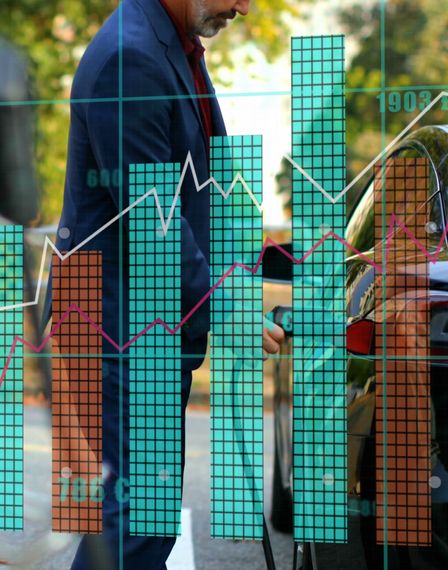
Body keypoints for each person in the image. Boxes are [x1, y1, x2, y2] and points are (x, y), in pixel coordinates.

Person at [43, 0, 283, 568]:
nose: (243, 8)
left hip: (139, 325)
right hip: (114, 327)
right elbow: (152, 221)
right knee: (137, 524)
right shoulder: (130, 60)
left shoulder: (172, 48)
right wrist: (227, 309)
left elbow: (199, 197)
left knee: (138, 524)